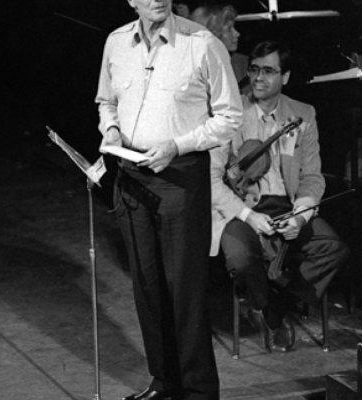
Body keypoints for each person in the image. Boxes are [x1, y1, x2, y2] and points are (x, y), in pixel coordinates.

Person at [95, 1, 242, 399]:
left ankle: (197, 392)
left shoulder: (202, 43)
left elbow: (230, 117)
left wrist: (177, 145)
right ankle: (164, 384)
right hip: (130, 177)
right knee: (147, 288)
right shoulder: (117, 43)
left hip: (179, 178)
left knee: (185, 293)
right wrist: (111, 130)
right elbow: (106, 101)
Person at [210, 40, 350, 353]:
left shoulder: (303, 115)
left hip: (287, 207)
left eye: (268, 71)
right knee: (240, 257)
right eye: (254, 70)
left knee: (333, 248)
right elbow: (212, 180)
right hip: (242, 209)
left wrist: (300, 216)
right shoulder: (231, 115)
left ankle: (274, 307)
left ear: (284, 77)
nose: (258, 78)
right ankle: (275, 307)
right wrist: (248, 216)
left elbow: (312, 177)